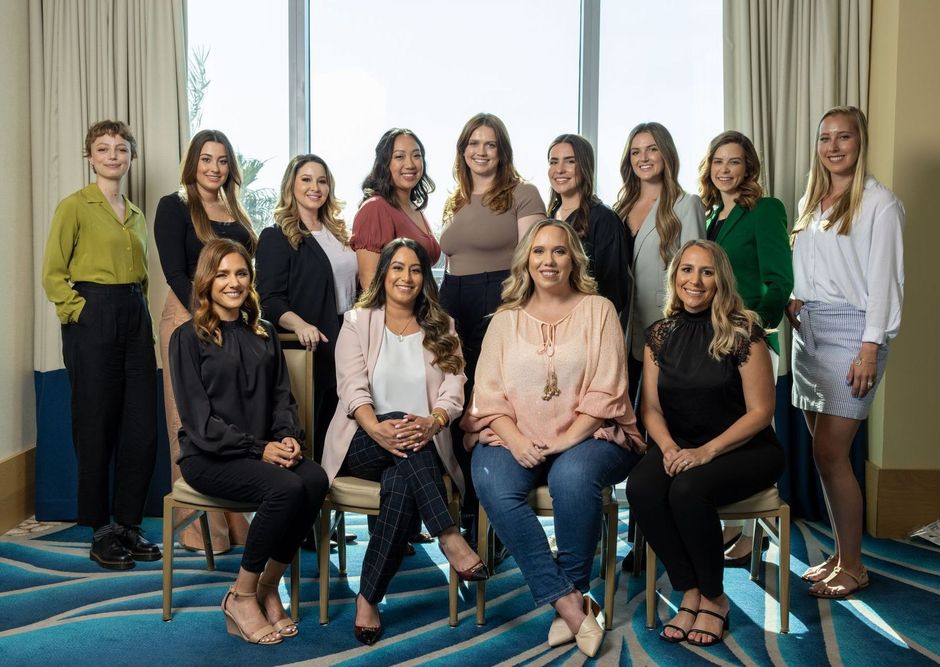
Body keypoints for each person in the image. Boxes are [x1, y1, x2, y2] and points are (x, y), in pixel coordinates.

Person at [463, 219, 644, 658]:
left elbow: (609, 388)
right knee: (495, 485)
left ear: (573, 259)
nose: (549, 260)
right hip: (515, 433)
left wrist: (567, 439)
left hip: (592, 434)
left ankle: (577, 587)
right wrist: (515, 438)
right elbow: (487, 394)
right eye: (539, 251)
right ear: (526, 260)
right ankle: (572, 606)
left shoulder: (599, 310)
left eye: (559, 251)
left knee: (571, 478)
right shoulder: (505, 320)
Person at [322, 238, 488, 646]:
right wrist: (377, 426)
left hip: (422, 445)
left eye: (415, 269)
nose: (406, 277)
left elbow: (455, 388)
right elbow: (351, 387)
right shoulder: (358, 321)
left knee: (399, 487)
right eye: (397, 268)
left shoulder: (441, 327)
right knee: (396, 420)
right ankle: (449, 535)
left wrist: (434, 422)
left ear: (424, 278)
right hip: (363, 442)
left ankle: (368, 599)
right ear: (384, 274)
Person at [169, 239, 328, 645]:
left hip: (262, 451)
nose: (233, 282)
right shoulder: (186, 338)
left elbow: (281, 398)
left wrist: (289, 437)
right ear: (206, 281)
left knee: (313, 480)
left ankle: (267, 586)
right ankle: (240, 596)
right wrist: (260, 449)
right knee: (286, 488)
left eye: (240, 273)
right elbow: (200, 422)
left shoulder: (264, 332)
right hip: (208, 456)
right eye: (222, 274)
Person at [626, 240, 784, 647]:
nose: (695, 281)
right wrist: (668, 447)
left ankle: (714, 598)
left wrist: (705, 452)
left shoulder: (743, 331)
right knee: (642, 487)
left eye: (707, 272)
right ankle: (689, 590)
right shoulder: (658, 335)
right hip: (681, 444)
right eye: (687, 270)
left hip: (745, 449)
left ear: (721, 280)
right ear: (675, 276)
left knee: (688, 490)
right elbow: (652, 410)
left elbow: (760, 413)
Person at [787, 106, 904, 599]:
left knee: (832, 451)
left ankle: (854, 567)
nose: (833, 147)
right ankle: (840, 553)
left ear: (861, 142)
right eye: (825, 138)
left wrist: (870, 348)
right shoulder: (812, 200)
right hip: (808, 331)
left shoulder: (881, 204)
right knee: (822, 454)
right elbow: (813, 263)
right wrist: (796, 295)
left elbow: (885, 282)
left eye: (844, 137)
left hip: (855, 335)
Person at [41, 120, 160, 571]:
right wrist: (81, 312)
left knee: (141, 428)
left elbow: (144, 278)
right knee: (95, 426)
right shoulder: (74, 206)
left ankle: (129, 524)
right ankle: (101, 530)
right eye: (103, 148)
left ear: (131, 156)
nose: (113, 155)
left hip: (133, 316)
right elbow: (53, 273)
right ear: (90, 156)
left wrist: (142, 323)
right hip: (94, 313)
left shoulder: (135, 214)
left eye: (121, 148)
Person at [439, 112, 545, 541]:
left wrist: (512, 315)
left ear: (502, 151)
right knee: (452, 403)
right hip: (451, 302)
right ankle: (460, 508)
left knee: (490, 406)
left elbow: (531, 262)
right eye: (473, 144)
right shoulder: (455, 200)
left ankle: (489, 520)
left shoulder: (523, 193)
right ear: (463, 151)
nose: (480, 152)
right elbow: (448, 262)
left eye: (489, 144)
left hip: (495, 302)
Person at [155, 129, 256, 553]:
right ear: (192, 163)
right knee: (189, 422)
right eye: (206, 160)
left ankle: (235, 524)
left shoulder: (236, 209)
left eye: (222, 161)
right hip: (188, 318)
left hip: (233, 323)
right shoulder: (174, 207)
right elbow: (175, 272)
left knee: (230, 419)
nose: (214, 168)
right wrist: (207, 315)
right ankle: (201, 534)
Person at [698, 130, 793, 565]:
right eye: (718, 161)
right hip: (713, 338)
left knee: (750, 432)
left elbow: (780, 280)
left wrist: (755, 323)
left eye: (734, 162)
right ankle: (730, 526)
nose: (725, 169)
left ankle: (747, 530)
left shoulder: (766, 210)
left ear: (748, 168)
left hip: (750, 340)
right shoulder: (711, 215)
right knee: (721, 427)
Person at [613, 121, 704, 571]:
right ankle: (639, 532)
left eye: (651, 149)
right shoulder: (621, 205)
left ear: (666, 153)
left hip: (667, 336)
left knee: (659, 434)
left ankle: (650, 543)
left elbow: (694, 274)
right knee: (633, 435)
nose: (644, 158)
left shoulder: (685, 204)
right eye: (635, 152)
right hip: (623, 336)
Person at [255, 154, 357, 463]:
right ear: (292, 185)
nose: (316, 187)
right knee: (320, 431)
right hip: (314, 346)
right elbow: (269, 299)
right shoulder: (277, 236)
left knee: (349, 429)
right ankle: (315, 503)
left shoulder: (339, 234)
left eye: (322, 180)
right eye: (307, 179)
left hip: (350, 338)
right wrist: (299, 325)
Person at [546, 133, 631, 322]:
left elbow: (614, 293)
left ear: (585, 166)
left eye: (569, 161)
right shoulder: (549, 218)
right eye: (553, 162)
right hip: (551, 321)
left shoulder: (604, 219)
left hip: (586, 323)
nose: (559, 169)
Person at [351, 128, 440, 289]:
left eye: (416, 155)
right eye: (399, 156)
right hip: (394, 314)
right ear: (385, 163)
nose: (410, 164)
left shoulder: (415, 209)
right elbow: (369, 283)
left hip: (422, 311)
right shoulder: (375, 208)